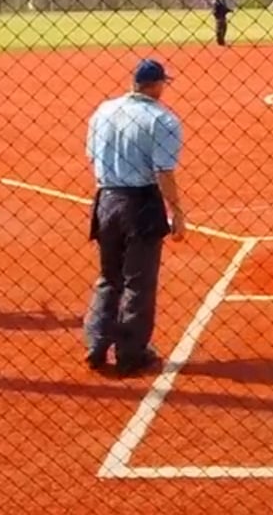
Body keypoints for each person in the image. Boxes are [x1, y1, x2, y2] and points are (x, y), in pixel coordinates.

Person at [84, 58, 188, 377]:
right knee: (139, 282)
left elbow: (92, 156)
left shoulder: (104, 110)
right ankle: (131, 353)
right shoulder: (162, 119)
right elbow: (163, 171)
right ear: (156, 85)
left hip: (106, 200)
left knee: (108, 276)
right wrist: (176, 211)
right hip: (141, 203)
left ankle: (96, 343)